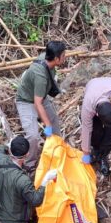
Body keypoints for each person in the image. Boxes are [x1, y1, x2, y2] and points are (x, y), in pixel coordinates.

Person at [15, 41, 67, 170]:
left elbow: (40, 100)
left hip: (40, 96)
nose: (65, 58)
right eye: (63, 55)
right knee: (33, 136)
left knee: (54, 119)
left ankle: (57, 149)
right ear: (56, 58)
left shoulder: (47, 58)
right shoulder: (40, 76)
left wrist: (50, 123)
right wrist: (47, 125)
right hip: (26, 101)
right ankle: (29, 163)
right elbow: (37, 104)